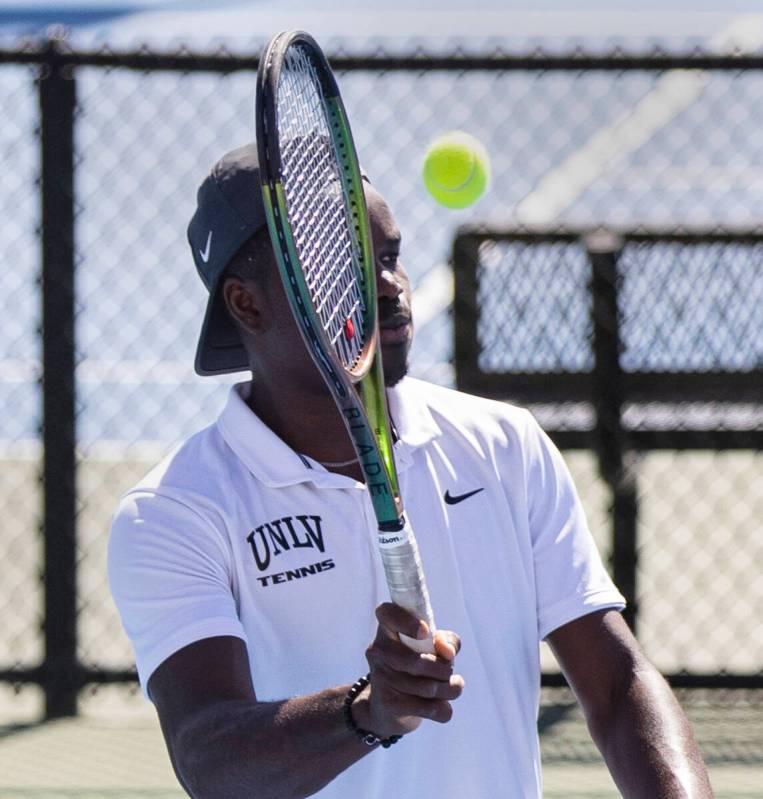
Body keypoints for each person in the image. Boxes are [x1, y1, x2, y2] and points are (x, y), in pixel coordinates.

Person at [109, 144, 713, 798]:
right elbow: (209, 758)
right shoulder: (172, 512)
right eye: (344, 267)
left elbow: (618, 685)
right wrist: (363, 712)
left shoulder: (501, 444)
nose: (390, 286)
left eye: (390, 256)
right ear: (246, 305)